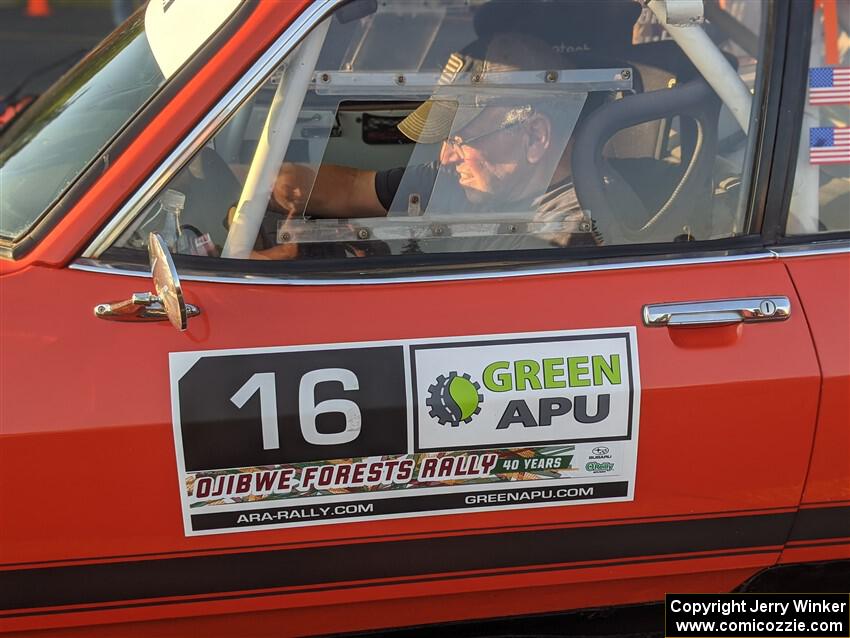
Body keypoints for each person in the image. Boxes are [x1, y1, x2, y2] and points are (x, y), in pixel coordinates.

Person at [253, 33, 603, 260]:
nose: (445, 156)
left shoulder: (572, 235)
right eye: (446, 138)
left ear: (534, 137)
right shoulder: (464, 181)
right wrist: (258, 192)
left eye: (462, 138)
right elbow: (348, 189)